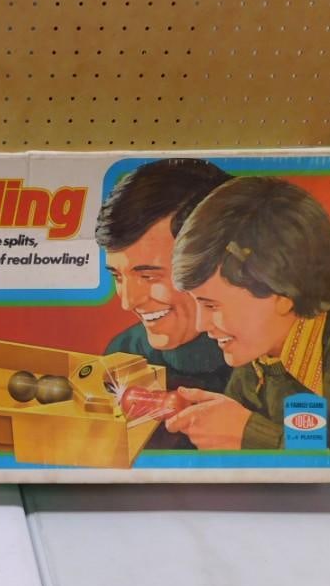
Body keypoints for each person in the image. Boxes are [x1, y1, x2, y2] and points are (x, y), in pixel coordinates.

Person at [166, 177, 330, 449]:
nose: (200, 324)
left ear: (282, 295)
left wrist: (249, 435)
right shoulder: (256, 359)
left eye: (212, 305)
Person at [95, 159, 233, 449]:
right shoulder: (124, 353)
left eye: (148, 276)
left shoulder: (270, 354)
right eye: (118, 276)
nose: (128, 302)